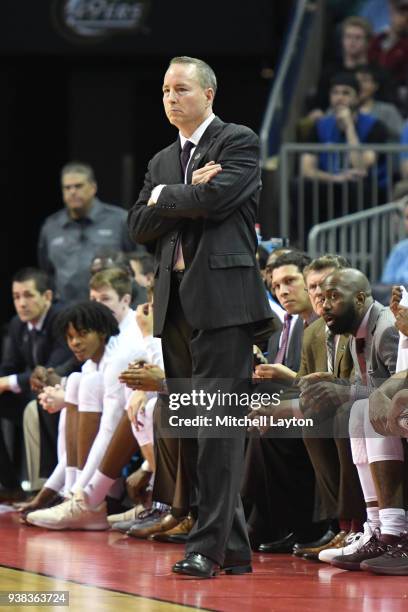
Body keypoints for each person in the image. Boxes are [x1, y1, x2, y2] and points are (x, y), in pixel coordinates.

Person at [127, 56, 272, 578]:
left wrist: (172, 200)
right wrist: (175, 194)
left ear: (208, 94)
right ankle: (231, 549)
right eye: (165, 89)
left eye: (181, 89)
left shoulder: (238, 140)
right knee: (196, 428)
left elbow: (218, 199)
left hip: (225, 305)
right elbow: (139, 224)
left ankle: (206, 549)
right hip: (177, 307)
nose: (170, 98)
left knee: (219, 430)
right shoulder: (164, 159)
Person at [0, 268, 73, 501]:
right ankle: (9, 484)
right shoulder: (17, 324)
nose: (22, 303)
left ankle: (40, 487)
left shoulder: (61, 319)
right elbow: (9, 366)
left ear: (47, 297)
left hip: (61, 389)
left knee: (37, 404)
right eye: (16, 297)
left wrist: (7, 382)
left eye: (28, 295)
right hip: (31, 391)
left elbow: (53, 369)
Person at [37, 161, 137, 304]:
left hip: (109, 310)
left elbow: (137, 264)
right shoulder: (51, 226)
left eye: (78, 186)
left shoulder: (119, 220)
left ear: (93, 187)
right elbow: (46, 271)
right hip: (66, 311)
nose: (72, 191)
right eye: (67, 188)